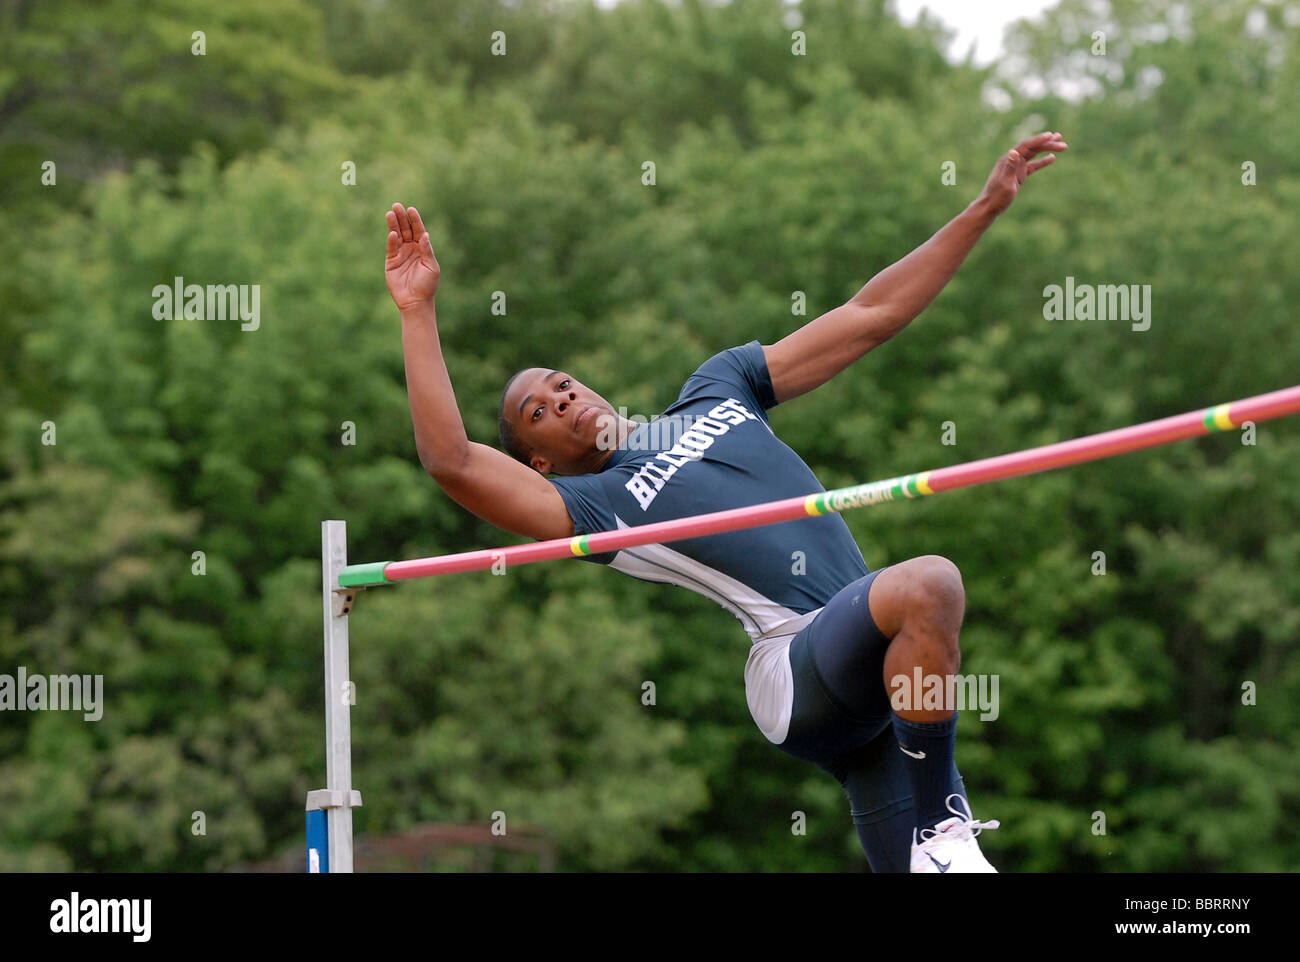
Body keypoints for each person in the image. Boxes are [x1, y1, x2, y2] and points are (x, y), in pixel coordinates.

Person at [384, 131, 1067, 872]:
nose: (562, 399)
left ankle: (940, 841)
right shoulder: (591, 507)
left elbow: (872, 314)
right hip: (795, 667)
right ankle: (944, 831)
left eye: (562, 384)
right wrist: (417, 309)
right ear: (541, 460)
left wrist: (985, 206)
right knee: (930, 582)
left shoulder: (720, 386)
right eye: (538, 414)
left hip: (879, 670)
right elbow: (449, 461)